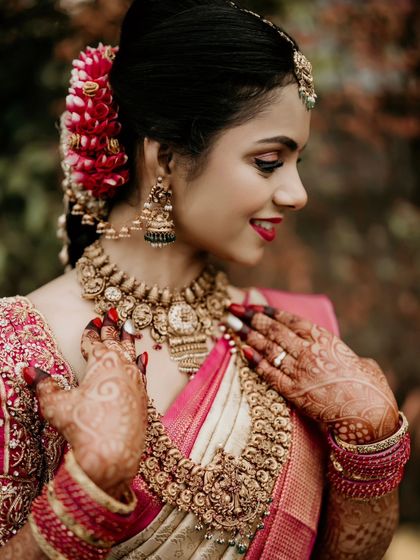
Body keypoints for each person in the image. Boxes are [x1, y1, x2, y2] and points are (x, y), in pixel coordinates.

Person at [0, 1, 410, 558]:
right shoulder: (26, 349)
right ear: (165, 157)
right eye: (269, 162)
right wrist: (90, 487)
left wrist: (373, 443)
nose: (297, 194)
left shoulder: (294, 344)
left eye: (298, 163)